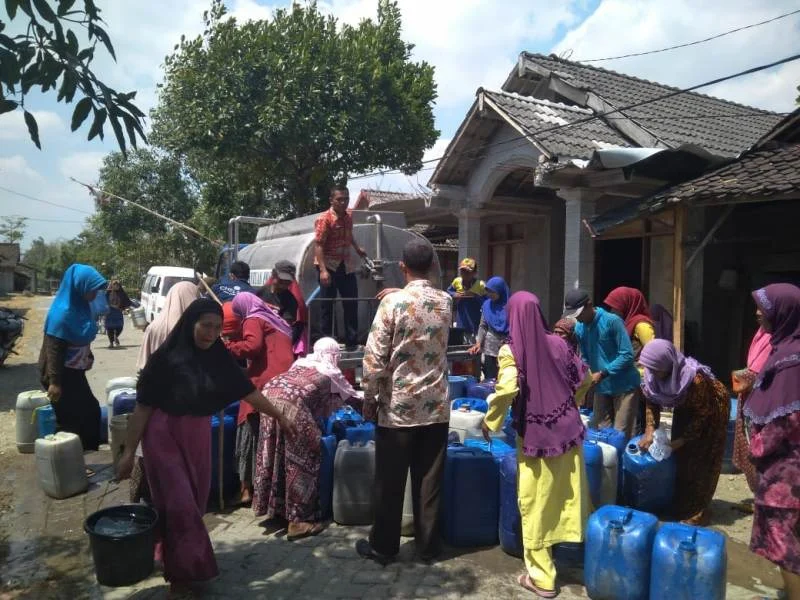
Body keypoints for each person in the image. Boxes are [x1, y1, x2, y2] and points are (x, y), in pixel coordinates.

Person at [116, 299, 297, 594]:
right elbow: (142, 410)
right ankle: (184, 575)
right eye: (205, 326)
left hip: (198, 435)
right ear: (190, 325)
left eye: (216, 328)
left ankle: (172, 555)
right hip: (163, 436)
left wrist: (278, 415)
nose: (211, 333)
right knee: (179, 505)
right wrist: (128, 453)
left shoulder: (218, 359)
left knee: (194, 502)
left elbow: (248, 391)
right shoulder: (165, 360)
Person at [483, 292, 590, 598]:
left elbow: (506, 388)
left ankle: (542, 577)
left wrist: (490, 422)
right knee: (565, 496)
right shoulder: (558, 344)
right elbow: (583, 379)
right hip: (569, 433)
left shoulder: (511, 350)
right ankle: (569, 550)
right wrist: (571, 404)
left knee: (535, 501)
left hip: (535, 438)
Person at [354, 239, 451, 565]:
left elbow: (375, 356)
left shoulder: (393, 304)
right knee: (429, 482)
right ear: (434, 266)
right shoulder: (446, 302)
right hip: (436, 405)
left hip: (398, 408)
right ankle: (428, 548)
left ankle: (384, 547)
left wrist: (369, 395)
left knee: (390, 482)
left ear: (402, 267)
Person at [253, 337, 361, 539]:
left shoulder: (302, 362)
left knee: (274, 449)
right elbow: (351, 397)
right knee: (305, 456)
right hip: (292, 404)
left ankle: (276, 508)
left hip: (268, 397)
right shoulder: (330, 371)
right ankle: (298, 521)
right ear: (333, 354)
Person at [745, 284, 800, 598]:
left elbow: (787, 419)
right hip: (784, 466)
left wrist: (757, 447)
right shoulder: (784, 349)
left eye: (763, 307)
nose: (757, 313)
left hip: (786, 469)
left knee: (781, 537)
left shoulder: (792, 361)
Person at [637, 339, 729, 525]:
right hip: (679, 408)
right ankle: (679, 502)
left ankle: (700, 510)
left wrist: (680, 441)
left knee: (702, 458)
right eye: (649, 368)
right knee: (677, 457)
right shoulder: (652, 374)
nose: (651, 373)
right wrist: (649, 430)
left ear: (668, 365)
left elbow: (701, 417)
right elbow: (651, 400)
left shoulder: (694, 381)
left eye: (656, 369)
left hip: (711, 411)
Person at [131, 281, 200, 504]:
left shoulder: (155, 327)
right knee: (184, 455)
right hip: (188, 406)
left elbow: (142, 368)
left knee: (154, 453)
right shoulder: (196, 331)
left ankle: (149, 492)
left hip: (156, 404)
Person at [225, 292, 294, 505]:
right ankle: (273, 488)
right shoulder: (276, 320)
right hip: (283, 381)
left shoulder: (253, 319)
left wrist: (227, 347)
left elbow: (252, 347)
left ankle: (247, 489)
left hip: (263, 383)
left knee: (247, 427)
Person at [39, 264, 107, 454]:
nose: (95, 293)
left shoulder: (82, 308)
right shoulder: (61, 314)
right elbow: (53, 350)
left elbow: (82, 339)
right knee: (70, 419)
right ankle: (67, 461)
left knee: (89, 412)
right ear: (79, 287)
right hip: (60, 375)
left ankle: (85, 454)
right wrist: (55, 383)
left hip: (74, 373)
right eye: (92, 289)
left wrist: (88, 356)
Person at [565, 289, 641, 439]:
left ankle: (621, 462)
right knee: (599, 432)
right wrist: (582, 378)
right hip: (601, 387)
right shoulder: (580, 328)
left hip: (624, 386)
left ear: (589, 305)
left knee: (620, 435)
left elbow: (627, 355)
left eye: (579, 314)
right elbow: (585, 357)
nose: (578, 318)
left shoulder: (612, 321)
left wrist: (603, 372)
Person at [314, 185, 368, 350]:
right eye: (340, 199)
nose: (343, 202)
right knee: (327, 305)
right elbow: (319, 246)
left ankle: (352, 342)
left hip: (346, 265)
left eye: (346, 198)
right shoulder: (325, 219)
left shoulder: (348, 217)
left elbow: (349, 234)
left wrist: (358, 249)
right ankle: (327, 342)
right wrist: (323, 270)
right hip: (329, 265)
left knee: (351, 302)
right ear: (332, 200)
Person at [604, 286, 656, 435]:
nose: (613, 311)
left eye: (616, 307)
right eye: (611, 307)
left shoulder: (641, 325)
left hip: (635, 380)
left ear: (628, 305)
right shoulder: (620, 324)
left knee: (628, 424)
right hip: (617, 378)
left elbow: (655, 353)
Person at [731, 327, 772, 493]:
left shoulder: (784, 343)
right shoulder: (762, 334)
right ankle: (759, 496)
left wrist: (746, 377)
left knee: (766, 451)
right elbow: (754, 369)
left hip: (770, 406)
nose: (758, 313)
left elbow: (769, 373)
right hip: (750, 401)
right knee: (751, 446)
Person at [468, 276, 509, 380]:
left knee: (505, 378)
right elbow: (483, 325)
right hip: (490, 348)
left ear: (500, 291)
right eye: (488, 291)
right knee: (490, 378)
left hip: (507, 348)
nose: (490, 294)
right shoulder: (487, 305)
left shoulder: (511, 306)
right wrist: (478, 343)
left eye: (492, 292)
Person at [264, 259, 308, 354]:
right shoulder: (262, 292)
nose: (283, 285)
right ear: (273, 274)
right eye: (281, 281)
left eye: (287, 283)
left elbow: (285, 326)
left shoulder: (291, 301)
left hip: (276, 342)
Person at [553, 318, 592, 407]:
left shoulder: (578, 351)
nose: (557, 336)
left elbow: (586, 379)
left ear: (571, 335)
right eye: (555, 332)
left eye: (561, 333)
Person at [447, 258, 486, 341]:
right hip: (461, 320)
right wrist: (455, 295)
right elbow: (449, 291)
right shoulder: (457, 281)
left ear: (474, 273)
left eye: (468, 272)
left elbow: (486, 301)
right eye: (462, 271)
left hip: (475, 321)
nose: (464, 274)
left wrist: (475, 296)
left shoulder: (480, 285)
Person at [104, 279, 133, 348]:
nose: (116, 287)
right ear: (112, 286)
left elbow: (127, 301)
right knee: (109, 328)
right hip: (109, 313)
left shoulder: (122, 293)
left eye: (117, 285)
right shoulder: (108, 292)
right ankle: (111, 343)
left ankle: (115, 337)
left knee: (120, 327)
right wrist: (110, 305)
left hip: (118, 312)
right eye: (114, 285)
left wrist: (126, 308)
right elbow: (103, 301)